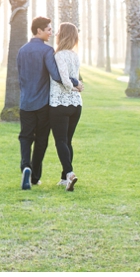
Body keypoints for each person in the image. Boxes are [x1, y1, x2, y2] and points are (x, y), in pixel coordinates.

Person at [16, 16, 82, 190]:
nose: (51, 33)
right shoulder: (47, 51)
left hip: (25, 103)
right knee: (42, 140)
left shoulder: (22, 50)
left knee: (25, 137)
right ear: (39, 31)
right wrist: (75, 82)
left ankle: (26, 167)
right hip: (44, 104)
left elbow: (20, 76)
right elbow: (56, 75)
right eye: (48, 30)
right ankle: (35, 177)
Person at [50, 22, 83, 192]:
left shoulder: (59, 55)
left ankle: (69, 174)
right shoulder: (75, 56)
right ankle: (64, 178)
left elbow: (64, 79)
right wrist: (77, 85)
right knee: (67, 141)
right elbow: (75, 77)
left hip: (60, 103)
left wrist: (73, 85)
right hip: (76, 104)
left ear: (62, 35)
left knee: (61, 141)